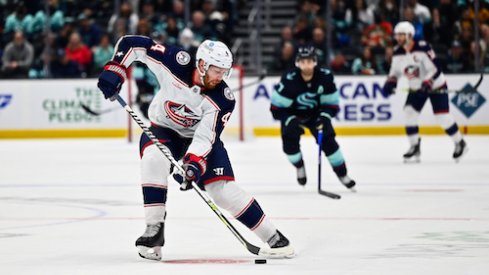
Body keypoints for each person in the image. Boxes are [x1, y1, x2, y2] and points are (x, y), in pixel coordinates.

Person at [96, 36, 294, 260]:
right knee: (153, 159)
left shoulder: (223, 99)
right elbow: (132, 43)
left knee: (222, 191)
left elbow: (204, 138)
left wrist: (193, 165)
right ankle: (154, 230)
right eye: (216, 70)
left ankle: (275, 238)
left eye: (224, 72)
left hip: (199, 140)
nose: (221, 77)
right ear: (201, 64)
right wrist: (116, 68)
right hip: (164, 128)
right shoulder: (174, 61)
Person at [270, 46, 356, 190]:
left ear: (315, 62)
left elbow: (332, 104)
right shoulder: (289, 79)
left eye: (309, 61)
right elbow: (276, 108)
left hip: (316, 114)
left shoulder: (325, 77)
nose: (306, 65)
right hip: (292, 115)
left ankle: (342, 174)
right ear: (297, 63)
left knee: (329, 142)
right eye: (303, 62)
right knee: (289, 146)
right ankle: (299, 166)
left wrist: (325, 117)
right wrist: (290, 120)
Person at [382, 21, 468, 162]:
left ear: (410, 35)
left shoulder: (423, 48)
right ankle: (414, 146)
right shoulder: (397, 52)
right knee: (409, 112)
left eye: (402, 35)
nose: (398, 38)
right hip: (417, 89)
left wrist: (428, 82)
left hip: (436, 86)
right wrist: (390, 83)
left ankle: (460, 142)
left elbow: (436, 68)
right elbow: (395, 73)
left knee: (442, 117)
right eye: (397, 35)